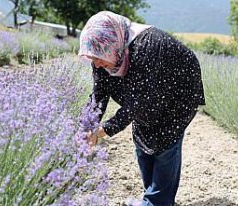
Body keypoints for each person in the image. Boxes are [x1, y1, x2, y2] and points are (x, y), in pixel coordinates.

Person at [78, 11, 205, 206]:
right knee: (143, 145)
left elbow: (137, 103)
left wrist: (103, 130)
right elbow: (99, 94)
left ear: (111, 44)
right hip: (147, 94)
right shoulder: (103, 53)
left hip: (178, 94)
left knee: (165, 146)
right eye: (92, 58)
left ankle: (157, 201)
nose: (95, 63)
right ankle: (153, 197)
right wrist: (86, 126)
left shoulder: (149, 45)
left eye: (98, 57)